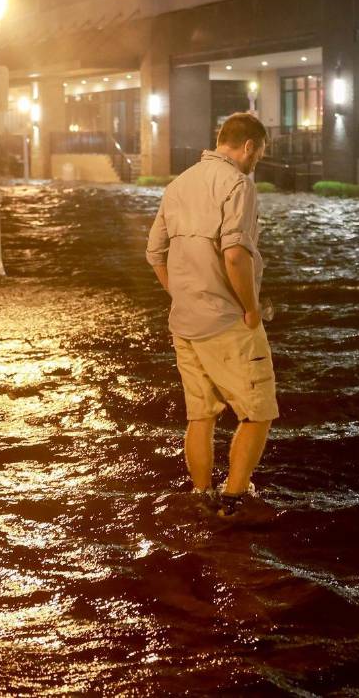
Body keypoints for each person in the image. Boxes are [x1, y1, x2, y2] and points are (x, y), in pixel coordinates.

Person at [146, 112, 278, 518]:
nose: (257, 162)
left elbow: (154, 254)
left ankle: (201, 494)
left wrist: (183, 294)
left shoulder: (178, 184)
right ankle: (235, 499)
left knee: (200, 415)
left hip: (184, 322)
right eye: (260, 154)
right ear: (249, 147)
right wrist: (252, 310)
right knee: (258, 412)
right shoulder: (238, 184)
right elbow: (235, 255)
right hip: (226, 323)